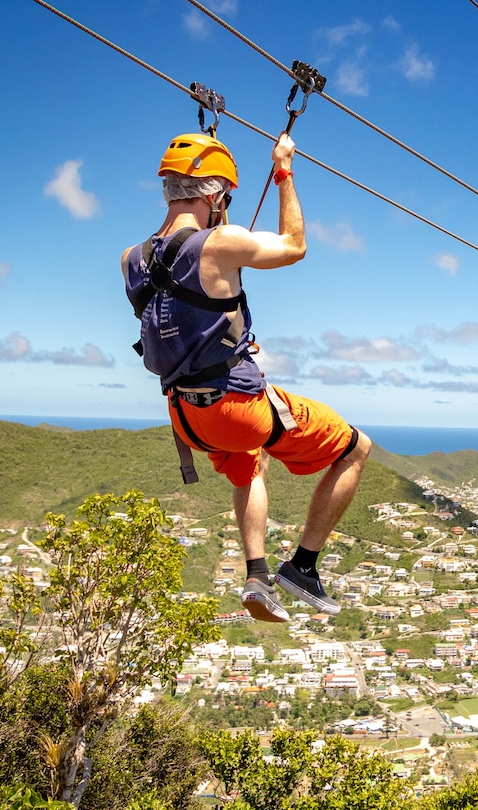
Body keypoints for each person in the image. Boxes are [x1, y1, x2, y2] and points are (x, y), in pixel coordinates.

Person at [123, 129, 371, 623]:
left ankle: (256, 574)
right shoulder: (222, 242)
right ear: (216, 195)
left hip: (185, 417)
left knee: (248, 463)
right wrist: (283, 170)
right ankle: (302, 565)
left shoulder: (133, 258)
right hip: (235, 406)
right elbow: (294, 246)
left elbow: (184, 309)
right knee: (356, 447)